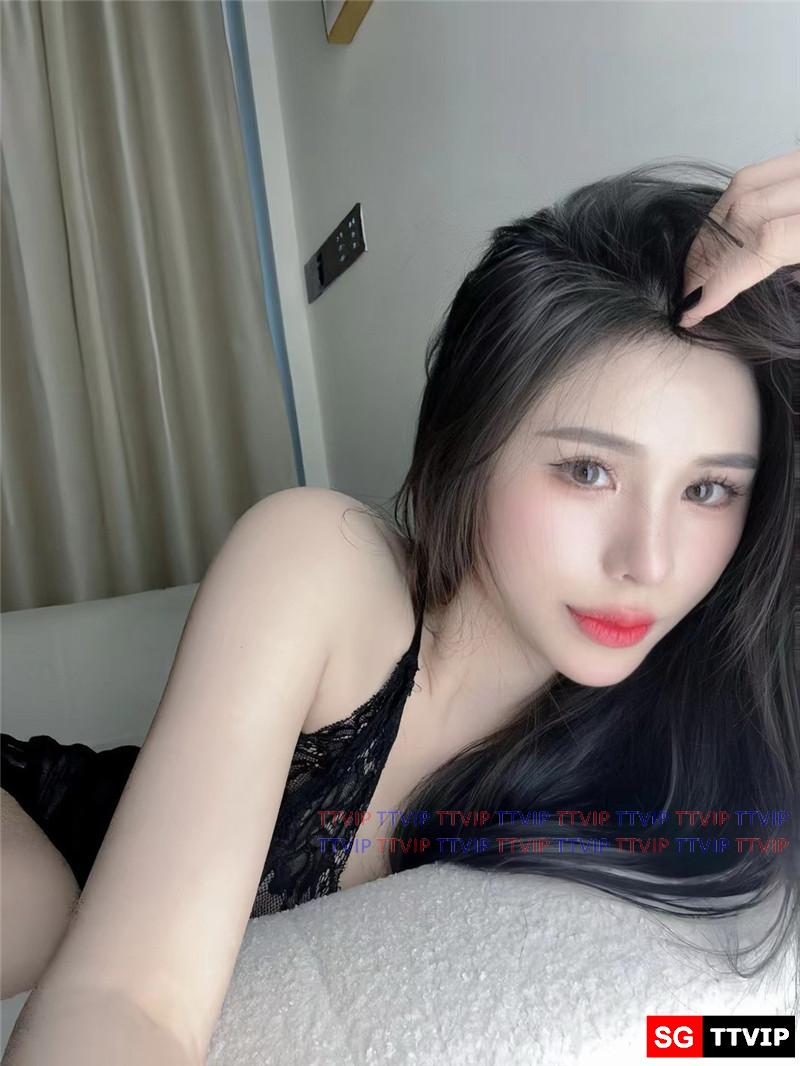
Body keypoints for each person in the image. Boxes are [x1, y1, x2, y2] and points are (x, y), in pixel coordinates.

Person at [2, 150, 798, 1062]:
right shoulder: (322, 562)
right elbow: (126, 1000)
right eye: (587, 470)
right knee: (38, 938)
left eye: (708, 491)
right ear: (468, 447)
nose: (648, 563)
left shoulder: (704, 713)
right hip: (40, 820)